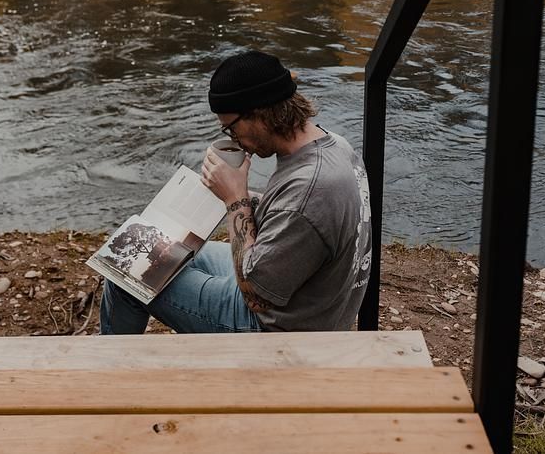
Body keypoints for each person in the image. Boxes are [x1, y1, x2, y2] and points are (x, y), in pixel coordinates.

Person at [99, 50, 372, 334]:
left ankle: (107, 363)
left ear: (259, 114)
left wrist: (235, 199)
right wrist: (235, 193)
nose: (235, 140)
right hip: (308, 295)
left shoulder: (310, 188)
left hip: (277, 325)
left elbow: (255, 296)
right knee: (163, 249)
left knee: (124, 271)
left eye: (231, 129)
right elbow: (296, 217)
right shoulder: (333, 145)